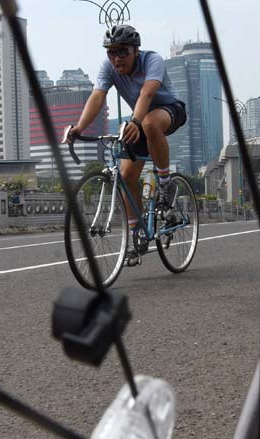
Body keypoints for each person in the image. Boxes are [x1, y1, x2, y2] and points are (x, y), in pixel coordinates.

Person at [67, 24, 187, 266]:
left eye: (122, 52)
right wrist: (79, 128)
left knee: (150, 124)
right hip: (138, 119)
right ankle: (136, 238)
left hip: (168, 111)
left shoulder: (152, 60)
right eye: (111, 53)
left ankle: (165, 184)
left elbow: (147, 94)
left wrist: (134, 120)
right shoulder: (108, 67)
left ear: (136, 51)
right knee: (126, 176)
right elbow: (97, 96)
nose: (116, 58)